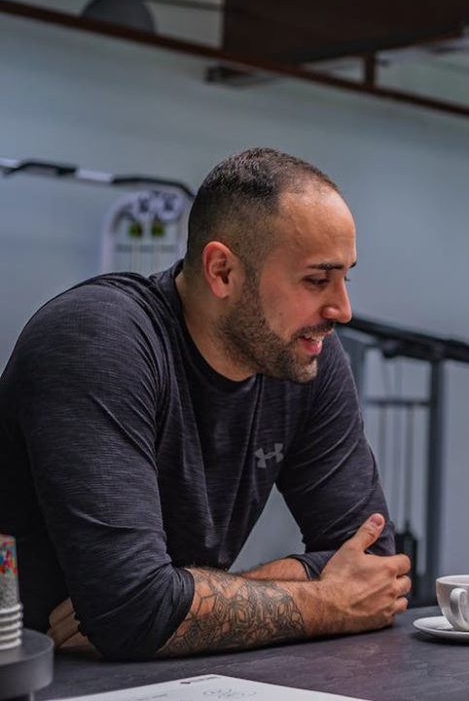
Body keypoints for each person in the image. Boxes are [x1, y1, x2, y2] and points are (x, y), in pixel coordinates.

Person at [0, 148, 411, 660]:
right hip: (33, 670)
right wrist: (324, 602)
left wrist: (174, 608)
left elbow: (373, 563)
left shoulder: (306, 358)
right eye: (316, 280)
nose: (342, 310)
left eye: (345, 277)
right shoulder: (96, 340)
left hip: (147, 671)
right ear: (222, 271)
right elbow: (135, 611)